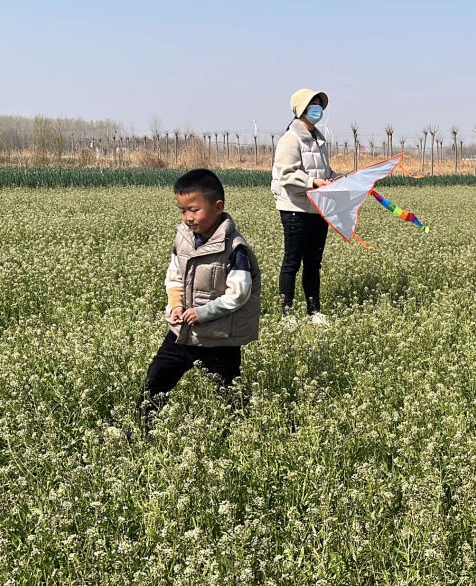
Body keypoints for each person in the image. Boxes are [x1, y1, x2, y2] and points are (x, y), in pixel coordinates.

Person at [136, 169, 261, 427]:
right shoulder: (183, 239)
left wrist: (202, 313)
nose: (188, 218)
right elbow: (174, 276)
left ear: (218, 206)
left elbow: (239, 294)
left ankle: (243, 432)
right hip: (182, 331)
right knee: (157, 378)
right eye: (182, 211)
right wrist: (175, 305)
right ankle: (141, 430)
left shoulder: (235, 248)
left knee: (228, 391)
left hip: (219, 337)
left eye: (194, 210)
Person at [271, 88, 340, 325]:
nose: (318, 109)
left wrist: (338, 179)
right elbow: (286, 174)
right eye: (313, 105)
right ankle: (286, 314)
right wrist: (312, 183)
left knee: (313, 263)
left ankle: (314, 312)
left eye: (319, 105)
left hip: (318, 208)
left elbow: (324, 171)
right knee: (292, 261)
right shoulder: (290, 139)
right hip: (295, 208)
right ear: (301, 109)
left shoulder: (319, 140)